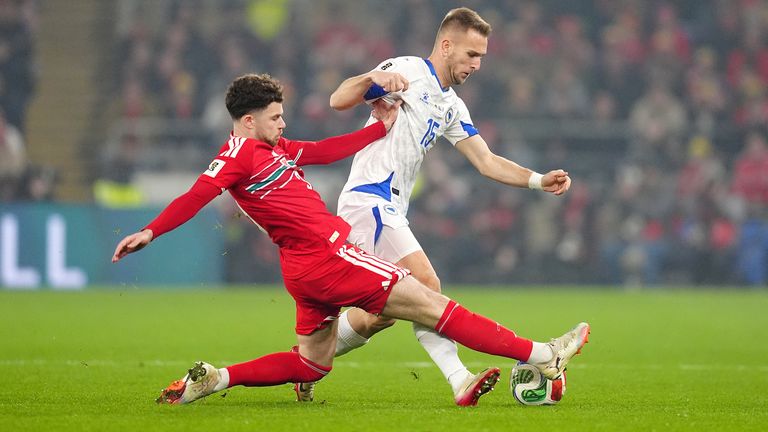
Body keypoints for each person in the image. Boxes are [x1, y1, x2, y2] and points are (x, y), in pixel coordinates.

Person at [111, 73, 589, 406]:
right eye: (276, 117)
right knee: (433, 303)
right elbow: (197, 195)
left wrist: (377, 130)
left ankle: (217, 379)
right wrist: (151, 231)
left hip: (301, 272)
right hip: (331, 256)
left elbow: (322, 151)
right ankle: (544, 356)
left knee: (313, 365)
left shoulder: (272, 148)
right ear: (248, 119)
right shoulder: (238, 156)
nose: (283, 124)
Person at [311, 7, 574, 406]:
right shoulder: (407, 70)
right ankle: (460, 379)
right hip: (369, 200)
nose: (477, 64)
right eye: (471, 54)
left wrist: (538, 180)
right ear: (447, 45)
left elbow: (486, 161)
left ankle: (304, 366)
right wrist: (373, 78)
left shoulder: (451, 104)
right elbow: (337, 99)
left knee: (380, 313)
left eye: (482, 57)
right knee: (426, 287)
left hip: (392, 210)